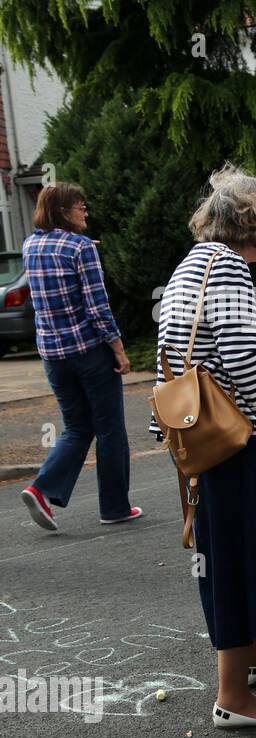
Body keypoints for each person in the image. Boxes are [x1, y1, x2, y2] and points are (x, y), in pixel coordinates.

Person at [155, 165, 256, 729]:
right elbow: (242, 355)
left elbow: (190, 360)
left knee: (229, 547)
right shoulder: (232, 271)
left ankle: (247, 655)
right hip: (232, 442)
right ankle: (232, 697)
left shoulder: (193, 263)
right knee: (237, 553)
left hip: (202, 433)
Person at [19, 183, 142, 532]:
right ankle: (115, 506)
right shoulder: (80, 248)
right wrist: (118, 349)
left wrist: (86, 249)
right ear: (63, 212)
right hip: (89, 352)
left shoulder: (31, 245)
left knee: (76, 426)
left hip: (53, 355)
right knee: (110, 430)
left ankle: (41, 489)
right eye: (79, 206)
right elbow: (97, 308)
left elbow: (57, 261)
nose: (85, 211)